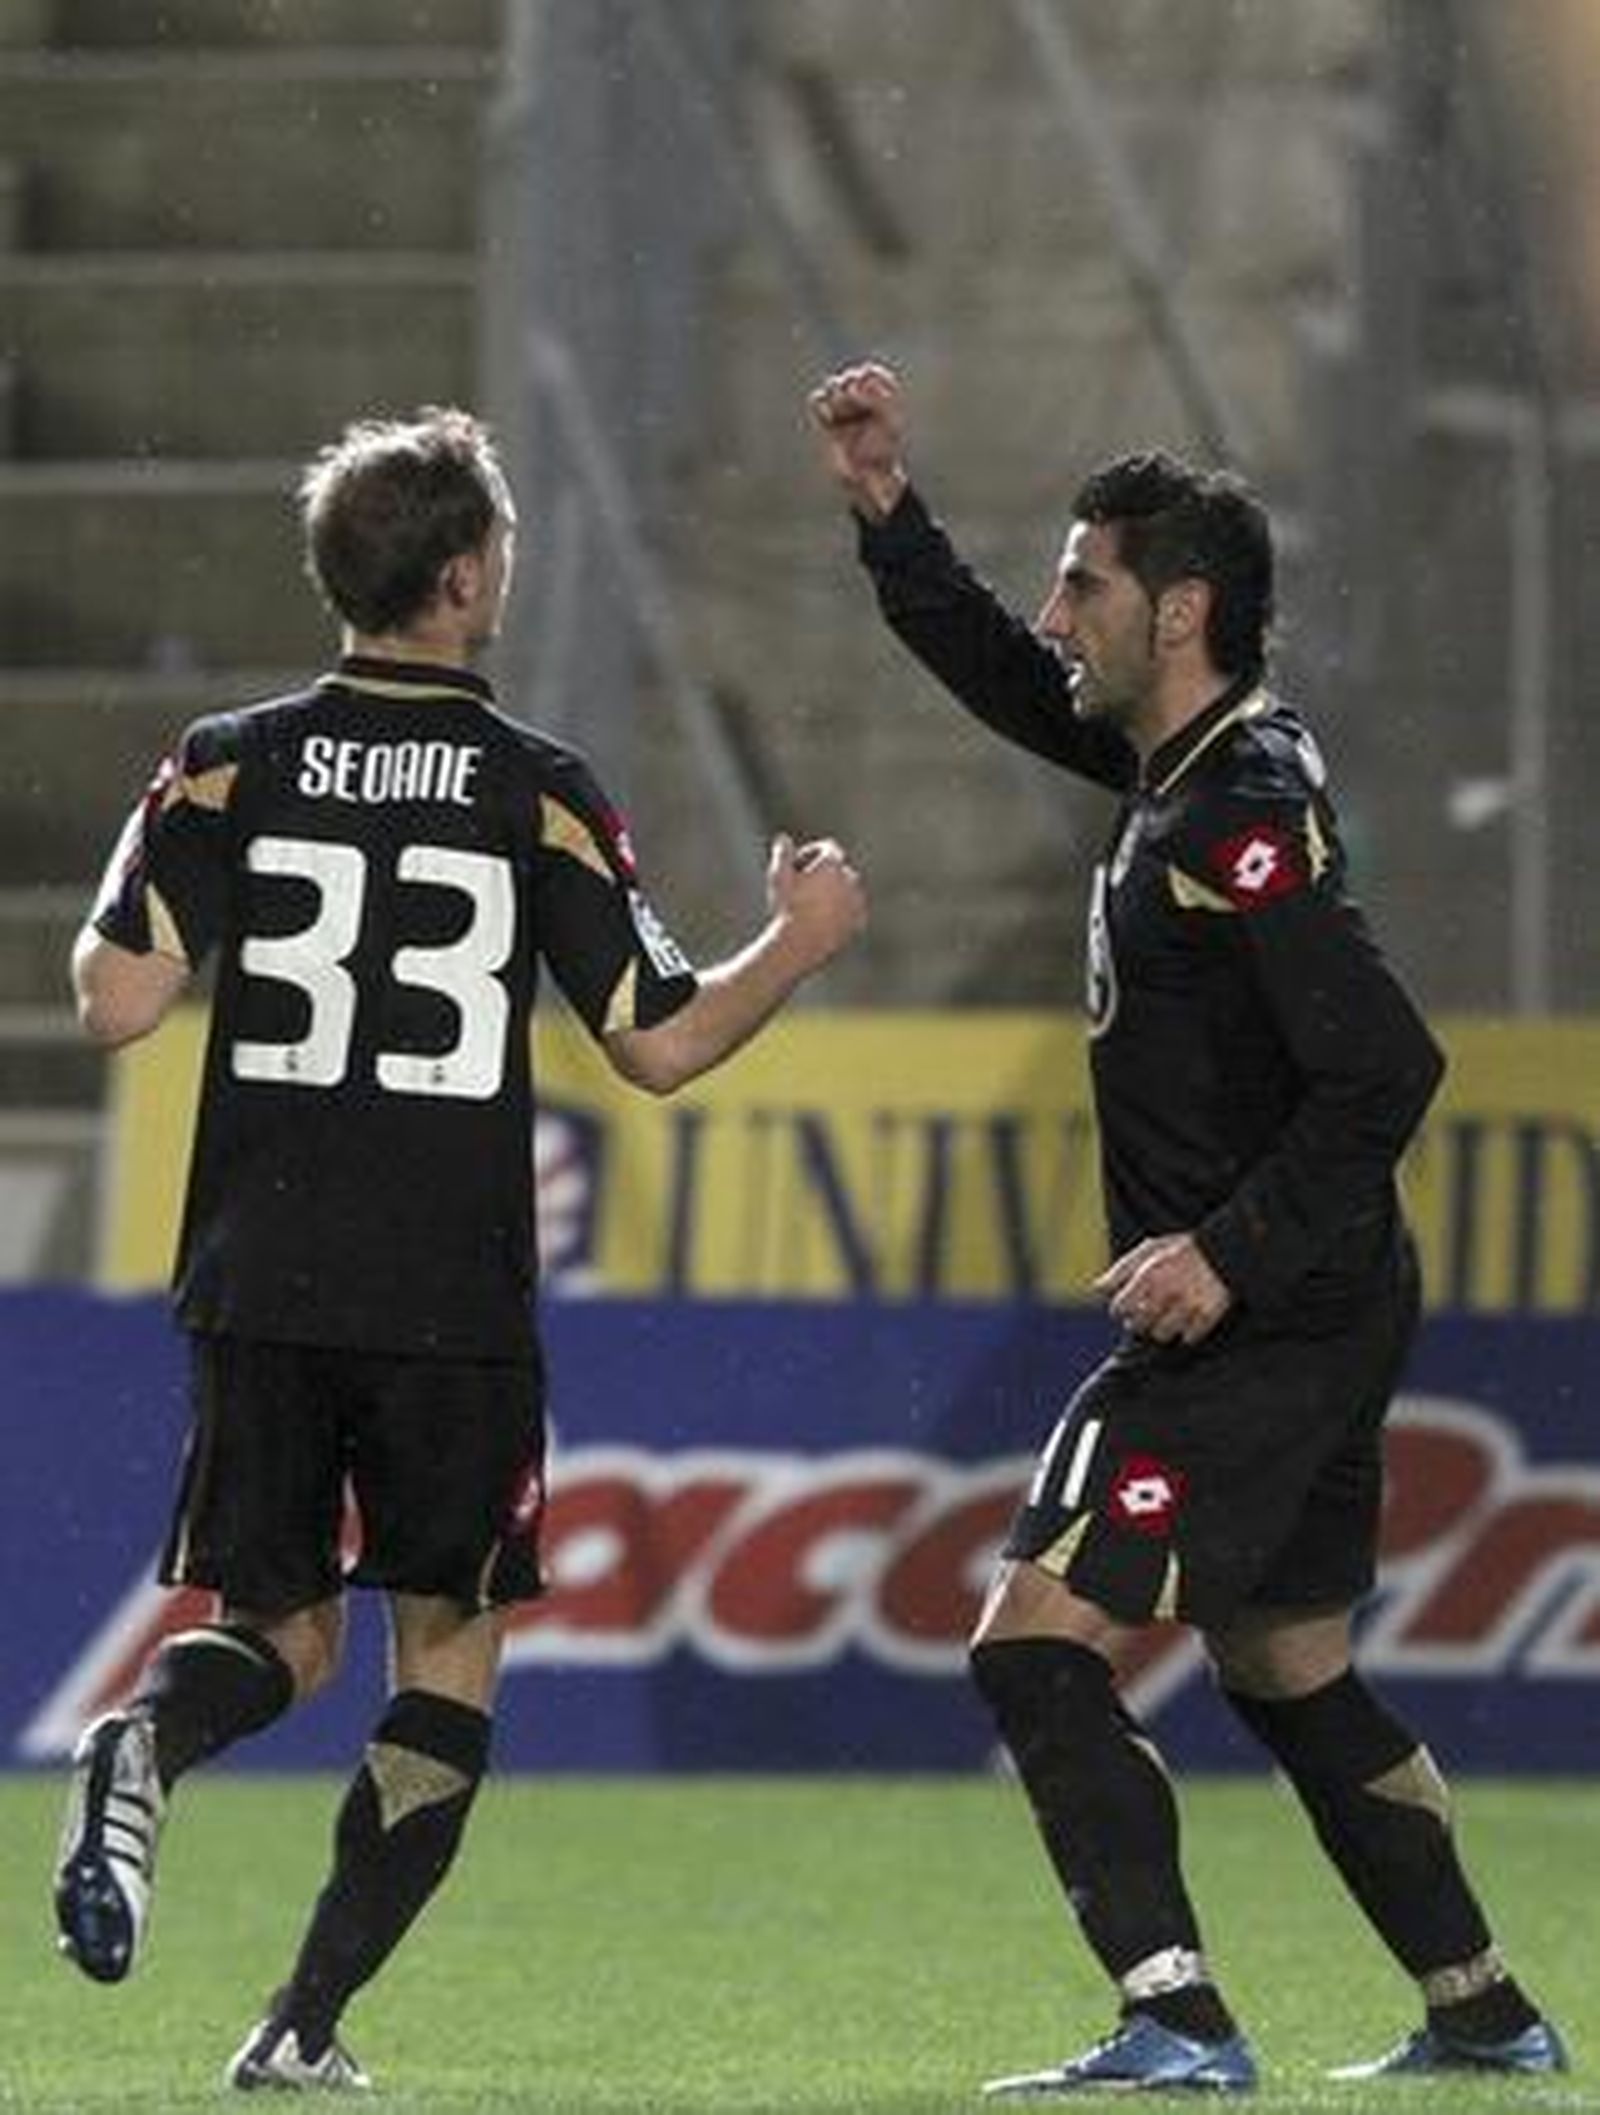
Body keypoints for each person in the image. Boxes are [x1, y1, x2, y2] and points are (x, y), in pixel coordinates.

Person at [56, 405, 866, 2092]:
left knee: (279, 1636)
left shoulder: (227, 759)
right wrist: (797, 942)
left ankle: (144, 1738)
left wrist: (152, 852)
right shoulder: (533, 788)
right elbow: (658, 1041)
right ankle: (302, 2024)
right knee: (447, 1650)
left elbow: (117, 1001)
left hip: (258, 1274)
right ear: (465, 580)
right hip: (445, 1290)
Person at [809, 363, 1567, 2096]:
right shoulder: (1181, 760)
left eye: (1085, 583)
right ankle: (1483, 2013)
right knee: (1288, 1664)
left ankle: (1181, 2017)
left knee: (1032, 1642)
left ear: (1184, 611)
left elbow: (1388, 1065)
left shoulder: (1239, 812)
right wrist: (890, 518)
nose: (1058, 611)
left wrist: (1225, 1250)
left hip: (1259, 1312)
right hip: (1318, 1296)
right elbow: (1011, 676)